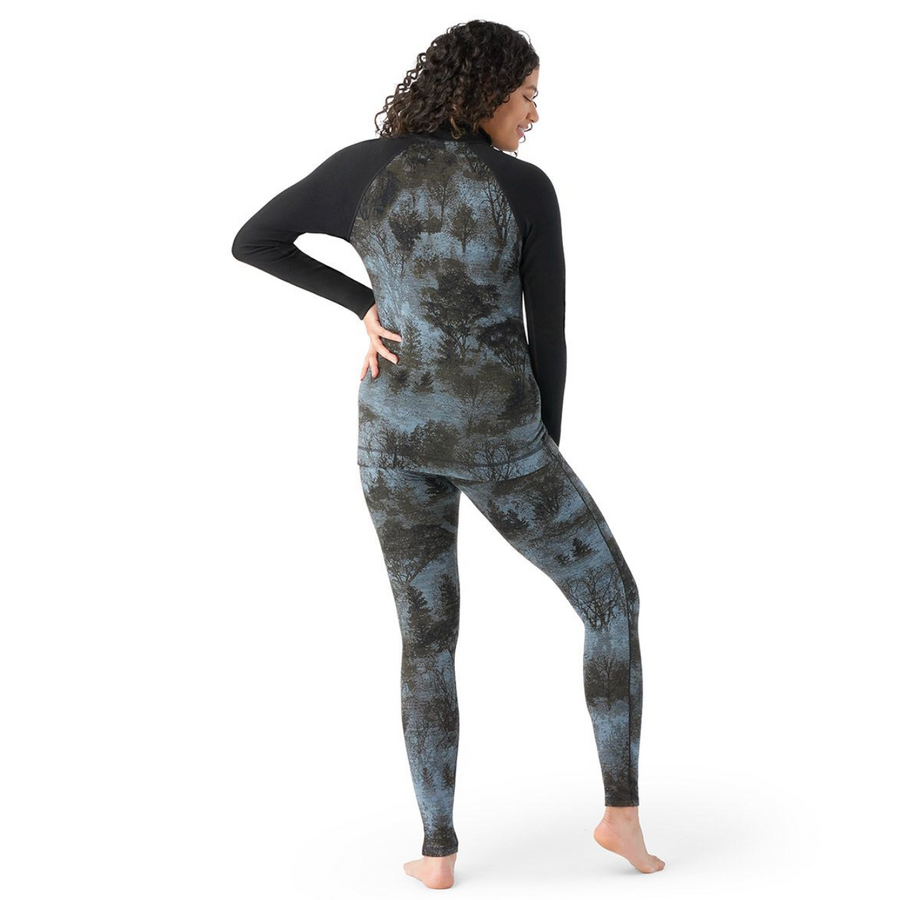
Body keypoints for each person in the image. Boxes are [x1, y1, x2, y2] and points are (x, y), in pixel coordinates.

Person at [232, 19, 664, 887]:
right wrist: (543, 448)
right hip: (499, 437)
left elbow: (256, 240)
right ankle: (620, 816)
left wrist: (366, 302)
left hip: (390, 435)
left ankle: (437, 853)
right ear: (488, 92)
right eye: (528, 95)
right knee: (612, 599)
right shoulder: (524, 187)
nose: (535, 113)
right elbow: (551, 336)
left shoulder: (361, 168)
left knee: (426, 638)